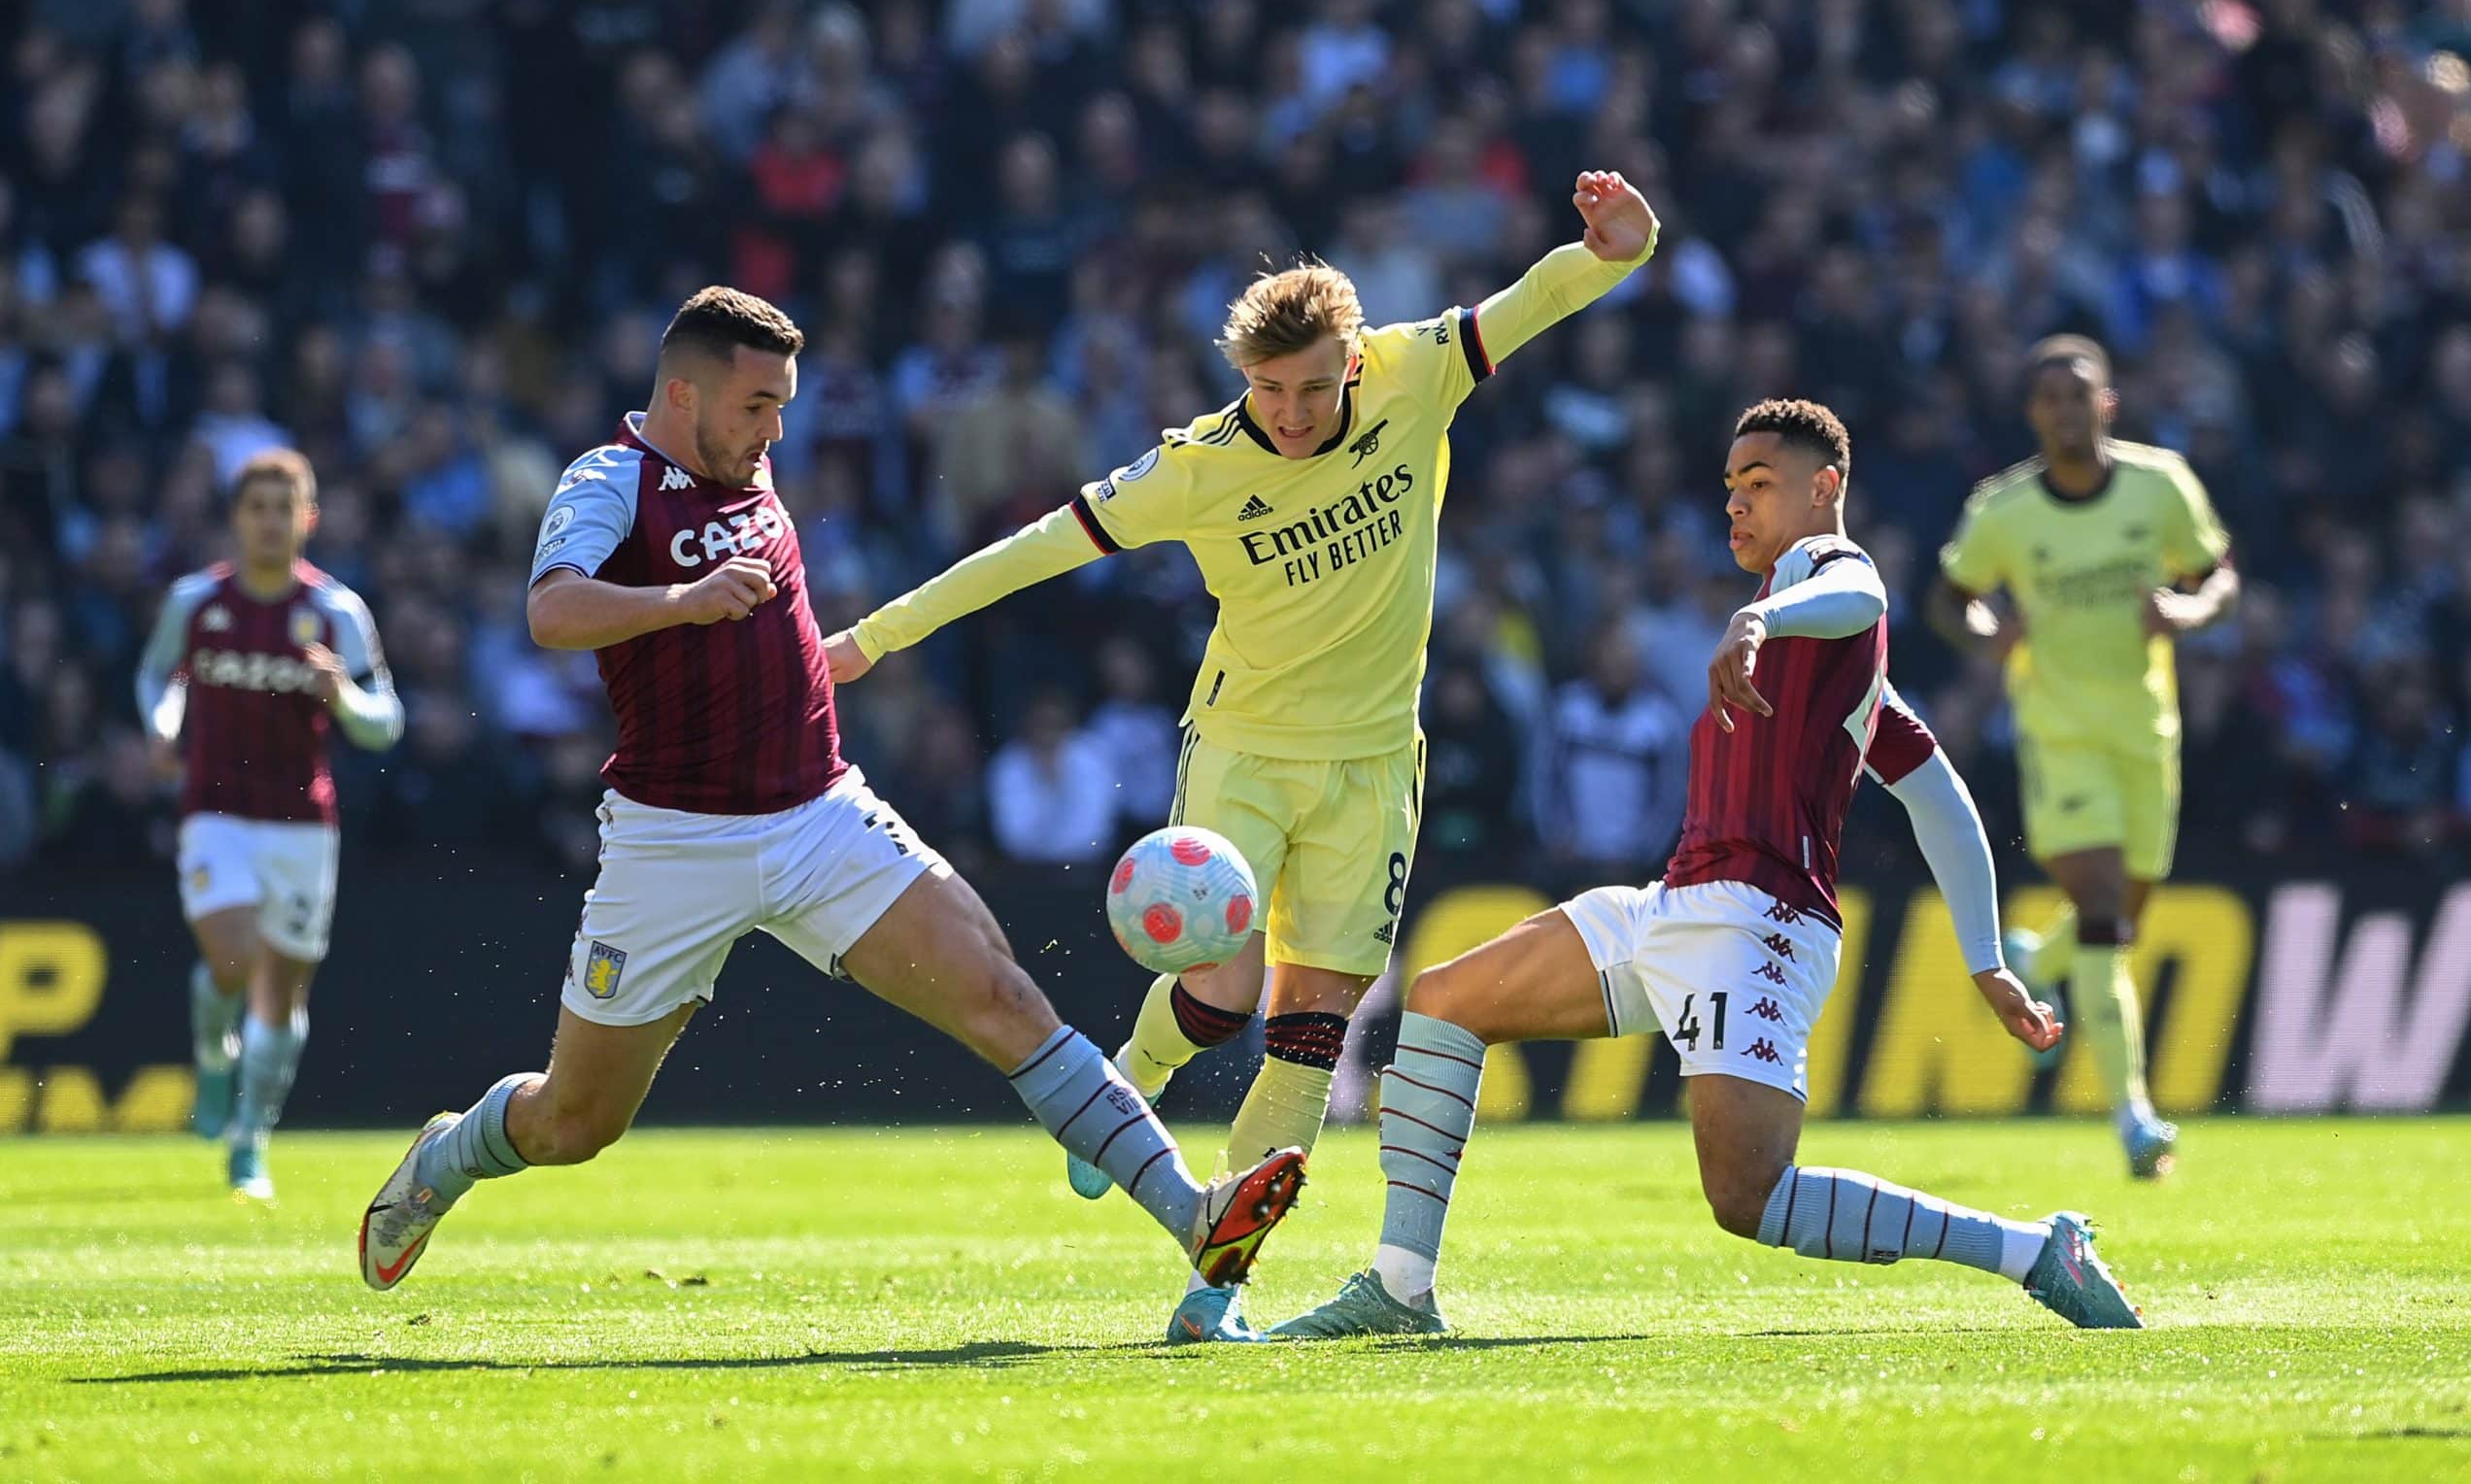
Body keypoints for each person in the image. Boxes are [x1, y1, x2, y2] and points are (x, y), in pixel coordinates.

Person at [828, 171, 1661, 1343]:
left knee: (1311, 1034)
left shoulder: (1414, 372)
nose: (1290, 412)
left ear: (1354, 363)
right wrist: (872, 638)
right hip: (1246, 754)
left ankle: (1214, 1290)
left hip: (1374, 769)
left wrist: (1617, 253)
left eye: (1312, 388)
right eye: (1268, 389)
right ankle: (1138, 1073)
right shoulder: (1195, 467)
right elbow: (1027, 552)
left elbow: (1528, 302)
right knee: (1220, 992)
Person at [355, 288, 1304, 1301]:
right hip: (673, 844)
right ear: (682, 393)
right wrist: (679, 602)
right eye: (757, 404)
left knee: (1003, 996)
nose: (775, 428)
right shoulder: (610, 481)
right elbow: (550, 611)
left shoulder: (754, 473)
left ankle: (1193, 1219)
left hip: (819, 814)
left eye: (783, 405)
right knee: (574, 1125)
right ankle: (446, 1160)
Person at [1273, 400, 2143, 1339]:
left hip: (1760, 924)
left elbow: (1861, 589)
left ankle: (2032, 1251)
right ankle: (1399, 1289)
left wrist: (1760, 613)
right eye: (1730, 487)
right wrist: (1986, 959)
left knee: (1750, 1198)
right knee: (1442, 1000)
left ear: (1825, 488)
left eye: (1760, 484)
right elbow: (1942, 801)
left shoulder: (1821, 582)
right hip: (1673, 905)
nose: (1735, 504)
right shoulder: (1843, 668)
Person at [1927, 336, 2237, 1179]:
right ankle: (2134, 1116)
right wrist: (1993, 635)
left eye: (2080, 394)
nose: (2066, 410)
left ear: (2108, 403)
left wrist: (2189, 610)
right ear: (2033, 413)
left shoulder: (2160, 485)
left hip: (2146, 732)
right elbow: (1951, 601)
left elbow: (2219, 573)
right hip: (2059, 738)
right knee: (2106, 912)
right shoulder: (2004, 510)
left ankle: (2039, 959)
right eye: (2050, 397)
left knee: (2121, 911)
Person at [135, 449, 405, 1199]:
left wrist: (342, 695)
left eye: (283, 508)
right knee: (231, 957)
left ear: (307, 519)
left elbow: (386, 722)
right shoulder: (196, 602)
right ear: (235, 518)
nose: (268, 521)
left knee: (280, 993)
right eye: (256, 507)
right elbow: (162, 676)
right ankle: (212, 1058)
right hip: (214, 811)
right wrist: (162, 726)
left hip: (302, 823)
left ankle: (250, 1140)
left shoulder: (337, 611)